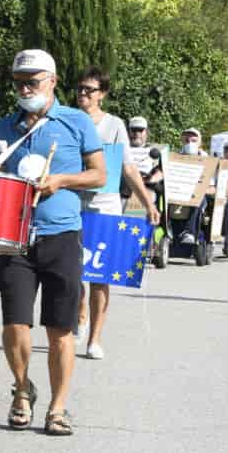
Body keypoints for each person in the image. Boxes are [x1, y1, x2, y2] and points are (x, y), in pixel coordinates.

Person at [0, 49, 105, 437]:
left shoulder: (76, 122)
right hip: (14, 238)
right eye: (19, 82)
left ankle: (58, 408)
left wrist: (61, 181)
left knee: (60, 329)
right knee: (14, 325)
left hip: (62, 234)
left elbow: (99, 175)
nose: (24, 88)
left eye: (32, 81)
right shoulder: (6, 125)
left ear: (51, 81)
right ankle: (22, 389)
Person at [71, 67, 159, 361]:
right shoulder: (67, 120)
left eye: (90, 90)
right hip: (71, 203)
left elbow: (128, 167)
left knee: (100, 276)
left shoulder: (114, 125)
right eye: (80, 89)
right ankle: (79, 316)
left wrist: (148, 203)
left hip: (105, 205)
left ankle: (94, 339)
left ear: (102, 94)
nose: (83, 94)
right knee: (72, 274)